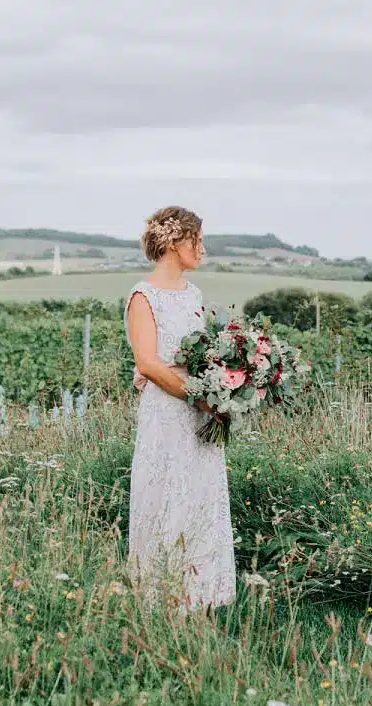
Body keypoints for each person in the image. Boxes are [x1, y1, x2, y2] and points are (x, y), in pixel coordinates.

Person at [123, 206, 236, 612]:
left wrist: (228, 385)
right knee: (166, 495)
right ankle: (160, 597)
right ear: (175, 241)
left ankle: (205, 595)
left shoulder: (193, 295)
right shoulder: (143, 297)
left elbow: (203, 354)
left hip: (201, 414)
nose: (203, 250)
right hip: (167, 415)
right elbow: (150, 364)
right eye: (198, 241)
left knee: (200, 497)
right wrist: (203, 397)